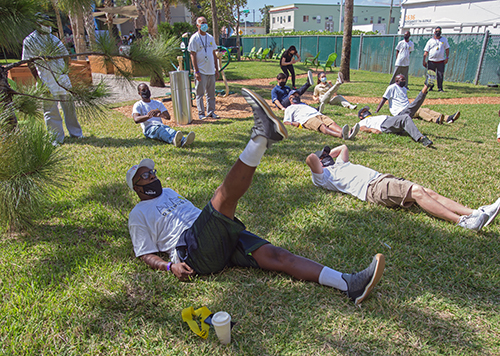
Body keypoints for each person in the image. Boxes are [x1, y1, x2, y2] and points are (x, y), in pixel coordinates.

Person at [126, 87, 385, 305]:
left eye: (152, 172)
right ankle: (261, 137)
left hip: (214, 238)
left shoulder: (169, 192)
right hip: (192, 251)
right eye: (145, 176)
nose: (152, 177)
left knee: (277, 255)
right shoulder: (138, 214)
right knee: (222, 199)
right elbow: (144, 253)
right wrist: (169, 267)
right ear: (136, 187)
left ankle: (349, 284)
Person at [306, 144, 500, 232]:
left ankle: (476, 212)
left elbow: (344, 147)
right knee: (416, 192)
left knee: (426, 192)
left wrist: (328, 155)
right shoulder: (324, 178)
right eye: (325, 158)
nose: (329, 157)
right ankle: (462, 222)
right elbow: (310, 159)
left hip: (382, 179)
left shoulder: (340, 165)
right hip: (373, 188)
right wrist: (322, 157)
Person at [22, 14, 83, 144]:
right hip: (46, 79)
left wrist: (65, 70)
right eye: (46, 24)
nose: (48, 27)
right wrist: (39, 80)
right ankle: (56, 138)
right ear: (38, 24)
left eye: (50, 24)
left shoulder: (54, 39)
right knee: (51, 111)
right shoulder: (30, 41)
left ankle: (76, 133)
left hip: (62, 79)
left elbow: (66, 56)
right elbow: (30, 63)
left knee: (69, 108)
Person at [376, 72, 460, 124]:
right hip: (400, 112)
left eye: (404, 80)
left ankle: (448, 118)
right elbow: (384, 99)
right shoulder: (392, 87)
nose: (404, 81)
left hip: (407, 108)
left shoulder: (404, 89)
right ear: (396, 81)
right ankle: (435, 120)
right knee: (419, 110)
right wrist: (377, 111)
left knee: (426, 109)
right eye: (402, 80)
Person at [132, 83, 195, 147]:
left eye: (147, 89)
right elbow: (136, 119)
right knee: (161, 131)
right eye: (143, 90)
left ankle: (184, 140)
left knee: (170, 131)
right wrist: (149, 116)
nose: (146, 91)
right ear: (139, 93)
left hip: (161, 125)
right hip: (149, 129)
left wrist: (160, 114)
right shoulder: (138, 105)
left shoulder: (157, 103)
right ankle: (173, 140)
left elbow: (168, 117)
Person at [284, 91, 360, 140]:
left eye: (298, 95)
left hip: (318, 114)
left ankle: (348, 133)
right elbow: (285, 121)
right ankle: (340, 135)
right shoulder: (289, 108)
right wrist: (292, 123)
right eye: (295, 96)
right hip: (307, 119)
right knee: (322, 126)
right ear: (290, 98)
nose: (297, 97)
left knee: (332, 123)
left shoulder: (303, 104)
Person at [188, 17, 220, 120]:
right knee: (200, 94)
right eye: (202, 23)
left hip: (211, 70)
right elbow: (192, 54)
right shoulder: (194, 38)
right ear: (197, 25)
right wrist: (196, 70)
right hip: (201, 71)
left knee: (211, 94)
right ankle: (201, 113)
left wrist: (216, 68)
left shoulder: (210, 37)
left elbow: (214, 53)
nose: (204, 25)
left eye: (206, 23)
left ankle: (211, 112)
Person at [423, 26, 450, 92]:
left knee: (440, 75)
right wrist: (424, 60)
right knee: (431, 75)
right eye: (437, 31)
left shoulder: (444, 40)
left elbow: (447, 49)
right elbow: (426, 51)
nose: (438, 33)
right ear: (434, 32)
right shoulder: (430, 41)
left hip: (440, 61)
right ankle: (430, 87)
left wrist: (447, 57)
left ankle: (440, 88)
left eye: (439, 32)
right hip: (431, 61)